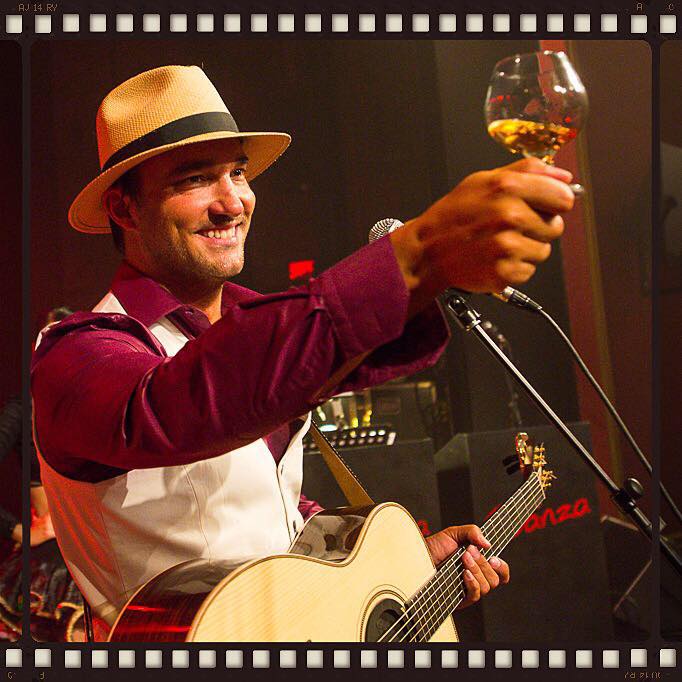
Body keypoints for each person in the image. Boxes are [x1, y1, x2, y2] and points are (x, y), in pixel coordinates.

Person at [31, 66, 574, 640]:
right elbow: (176, 407)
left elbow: (269, 518)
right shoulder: (76, 352)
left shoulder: (251, 324)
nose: (232, 202)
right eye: (196, 179)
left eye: (238, 172)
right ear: (123, 209)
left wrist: (399, 564)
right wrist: (418, 255)